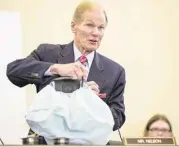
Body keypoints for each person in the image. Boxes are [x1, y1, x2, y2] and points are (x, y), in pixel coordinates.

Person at [6, 0, 126, 137]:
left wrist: (93, 105)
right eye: (89, 25)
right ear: (74, 26)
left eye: (101, 28)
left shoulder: (115, 72)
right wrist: (55, 68)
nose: (96, 33)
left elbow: (118, 117)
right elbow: (13, 71)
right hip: (45, 142)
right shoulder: (47, 53)